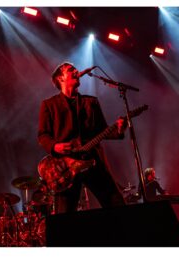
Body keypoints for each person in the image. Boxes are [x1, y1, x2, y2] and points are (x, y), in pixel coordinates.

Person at [38, 62, 127, 213]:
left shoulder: (91, 102)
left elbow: (103, 130)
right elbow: (43, 135)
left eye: (75, 69)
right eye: (71, 69)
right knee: (64, 214)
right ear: (61, 78)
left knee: (116, 204)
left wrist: (119, 129)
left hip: (92, 161)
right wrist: (55, 146)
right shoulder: (49, 105)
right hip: (65, 167)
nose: (76, 71)